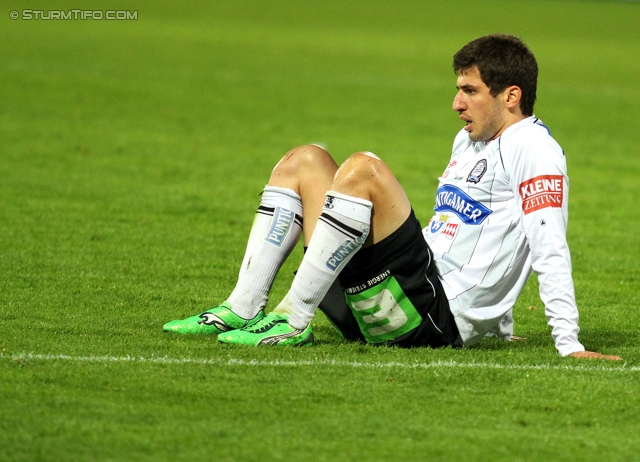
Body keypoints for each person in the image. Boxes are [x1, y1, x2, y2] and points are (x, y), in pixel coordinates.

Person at [163, 34, 620, 360]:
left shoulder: (535, 149)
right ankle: (241, 307)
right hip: (394, 298)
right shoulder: (470, 142)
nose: (457, 103)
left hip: (430, 315)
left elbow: (545, 243)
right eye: (458, 90)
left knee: (365, 169)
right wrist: (500, 327)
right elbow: (481, 232)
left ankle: (294, 318)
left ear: (511, 95)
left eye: (470, 91)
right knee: (304, 160)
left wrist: (568, 343)